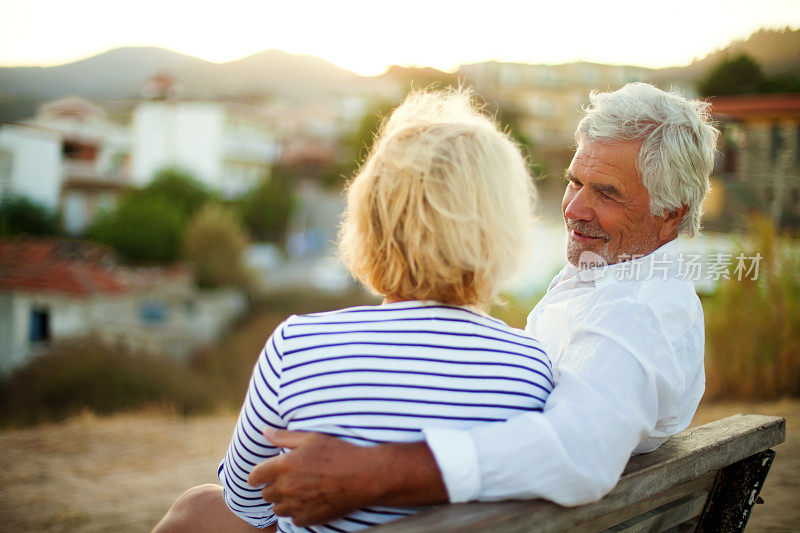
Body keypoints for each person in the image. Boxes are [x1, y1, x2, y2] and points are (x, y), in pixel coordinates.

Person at [203, 82, 719, 527]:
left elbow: (579, 454)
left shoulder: (635, 311)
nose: (574, 208)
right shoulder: (615, 284)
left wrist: (369, 472)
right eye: (573, 181)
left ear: (670, 214)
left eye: (606, 193)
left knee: (199, 511)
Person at [153, 88, 551, 532]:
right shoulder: (532, 366)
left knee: (199, 507)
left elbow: (247, 499)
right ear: (502, 228)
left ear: (370, 219)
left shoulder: (298, 345)